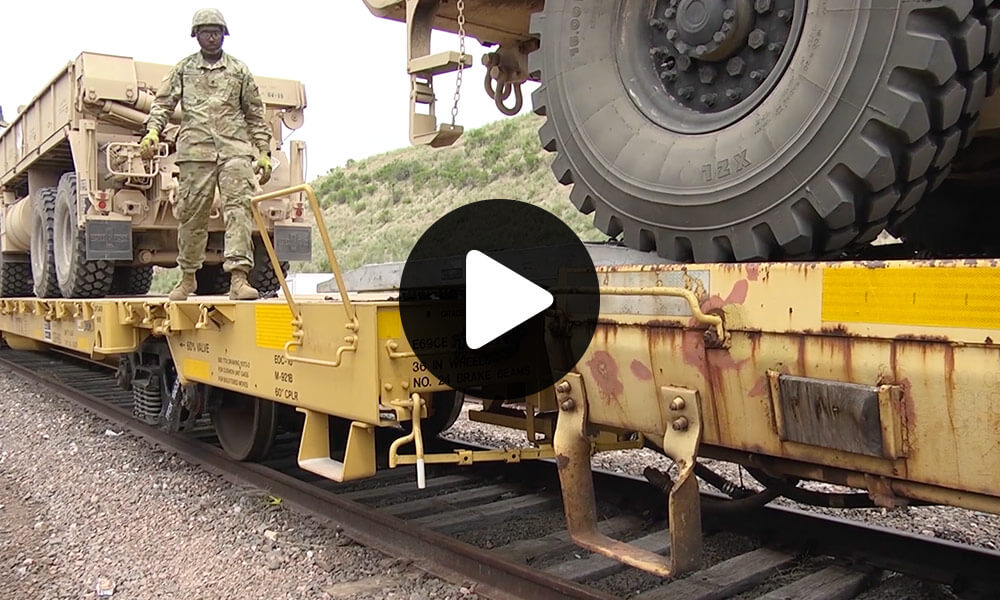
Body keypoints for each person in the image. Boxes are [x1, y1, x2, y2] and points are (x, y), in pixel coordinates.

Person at [140, 8, 273, 301]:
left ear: (223, 34)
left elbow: (254, 115)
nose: (211, 37)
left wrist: (263, 151)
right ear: (196, 35)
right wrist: (152, 132)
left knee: (239, 211)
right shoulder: (183, 69)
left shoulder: (239, 70)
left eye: (215, 31)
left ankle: (239, 279)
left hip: (234, 151)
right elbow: (162, 104)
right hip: (195, 154)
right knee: (191, 216)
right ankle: (187, 279)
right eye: (204, 31)